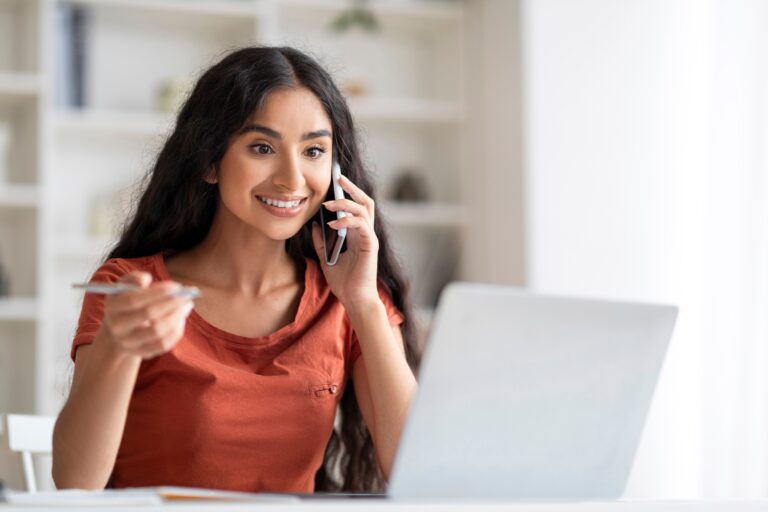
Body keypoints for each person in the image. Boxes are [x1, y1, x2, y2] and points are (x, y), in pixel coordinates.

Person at [51, 46, 420, 494]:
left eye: (314, 150)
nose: (291, 178)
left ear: (337, 169)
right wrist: (117, 348)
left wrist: (362, 303)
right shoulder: (130, 289)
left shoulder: (350, 299)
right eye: (262, 147)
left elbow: (413, 472)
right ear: (209, 161)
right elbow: (75, 483)